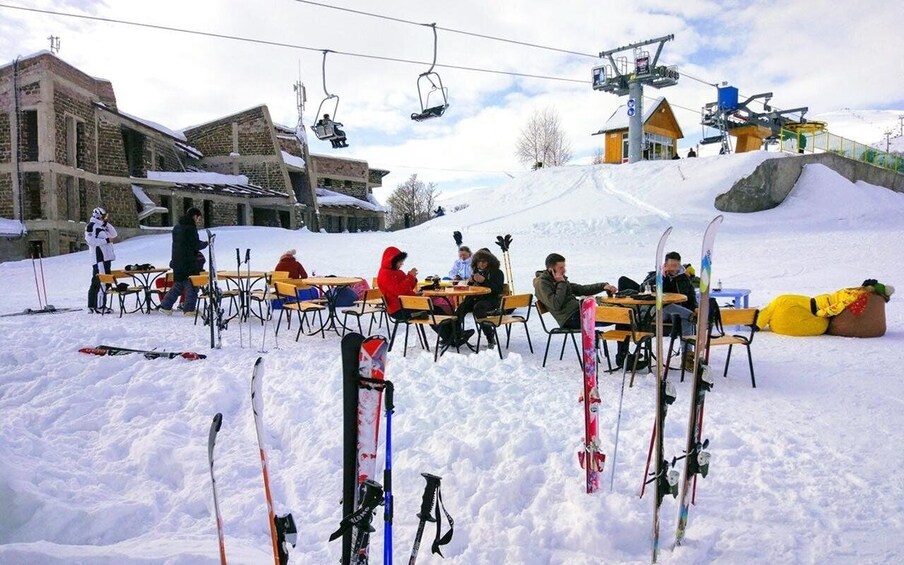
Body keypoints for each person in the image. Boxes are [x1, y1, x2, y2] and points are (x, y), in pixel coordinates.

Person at [619, 251, 699, 369]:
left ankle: (686, 357)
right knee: (681, 312)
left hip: (675, 314)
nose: (674, 269)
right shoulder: (655, 275)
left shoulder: (684, 279)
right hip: (655, 312)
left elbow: (691, 297)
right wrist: (659, 276)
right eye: (671, 266)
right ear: (665, 265)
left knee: (685, 317)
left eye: (676, 266)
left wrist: (695, 307)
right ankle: (690, 316)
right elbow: (642, 288)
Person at [756, 280, 894, 336]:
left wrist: (822, 312)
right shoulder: (869, 299)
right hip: (814, 320)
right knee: (780, 303)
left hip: (818, 314)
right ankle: (759, 321)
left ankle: (758, 323)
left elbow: (838, 307)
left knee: (780, 300)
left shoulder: (857, 296)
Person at [533, 253, 616, 330]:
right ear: (551, 270)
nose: (564, 270)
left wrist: (603, 286)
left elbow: (581, 289)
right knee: (619, 317)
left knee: (622, 315)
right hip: (569, 319)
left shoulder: (557, 279)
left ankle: (622, 346)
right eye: (561, 268)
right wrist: (561, 283)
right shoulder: (542, 283)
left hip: (579, 312)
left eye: (564, 267)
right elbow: (555, 304)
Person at [159, 208, 208, 316]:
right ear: (194, 216)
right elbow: (194, 244)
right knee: (192, 285)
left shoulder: (177, 227)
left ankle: (165, 306)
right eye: (198, 218)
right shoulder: (190, 228)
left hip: (177, 261)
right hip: (188, 262)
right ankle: (189, 310)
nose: (198, 221)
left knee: (179, 285)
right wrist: (206, 243)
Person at [456, 248, 505, 348]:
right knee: (461, 308)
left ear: (490, 261)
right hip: (474, 299)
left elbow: (498, 290)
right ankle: (455, 335)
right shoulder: (475, 271)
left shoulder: (497, 272)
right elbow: (471, 289)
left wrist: (484, 281)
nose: (481, 264)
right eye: (479, 261)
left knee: (479, 309)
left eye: (484, 261)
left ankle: (490, 337)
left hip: (490, 301)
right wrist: (470, 282)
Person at [85, 206, 117, 314]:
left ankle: (95, 304)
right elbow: (91, 241)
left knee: (103, 281)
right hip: (99, 258)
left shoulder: (102, 226)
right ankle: (98, 306)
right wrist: (106, 240)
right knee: (100, 281)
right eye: (104, 216)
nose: (105, 218)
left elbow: (114, 234)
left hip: (106, 258)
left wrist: (106, 224)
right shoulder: (91, 226)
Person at [376, 246, 419, 321]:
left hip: (407, 304)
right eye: (400, 262)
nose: (402, 264)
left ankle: (443, 331)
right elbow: (398, 291)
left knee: (435, 308)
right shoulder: (385, 274)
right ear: (392, 261)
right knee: (433, 311)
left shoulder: (398, 272)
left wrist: (412, 278)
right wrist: (409, 277)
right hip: (399, 309)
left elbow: (408, 288)